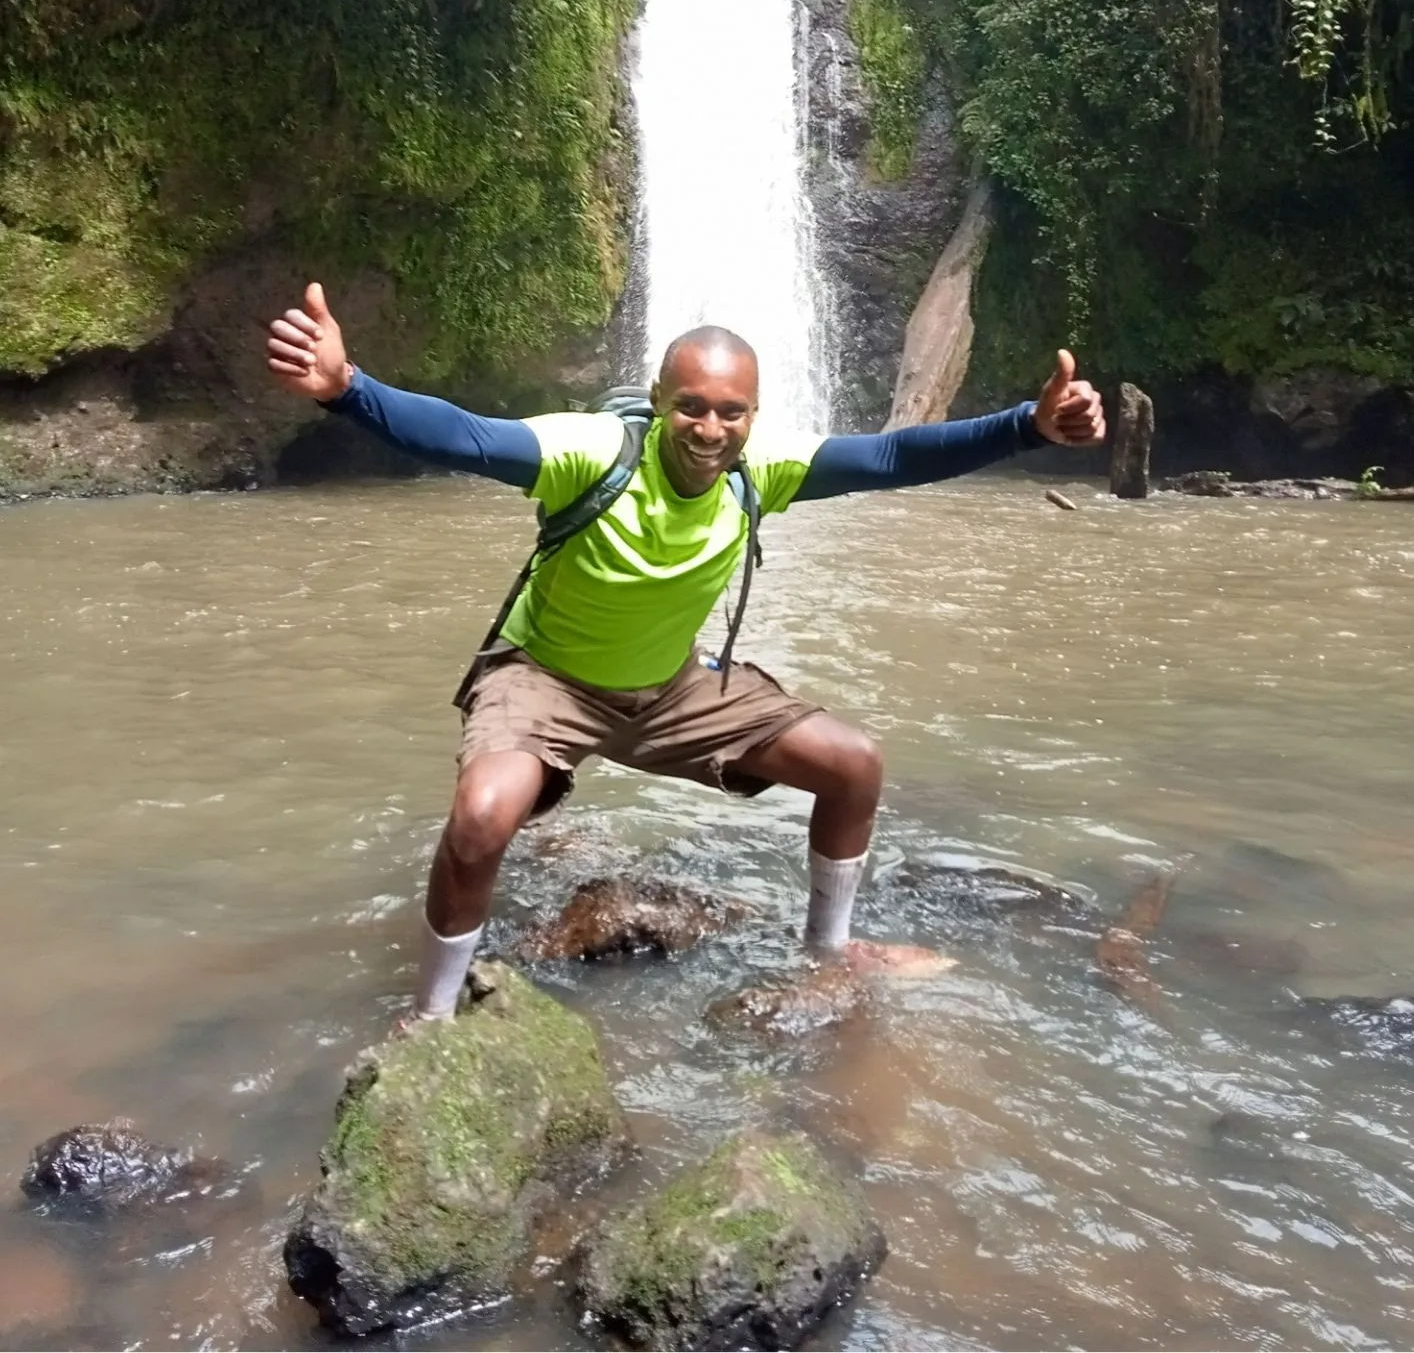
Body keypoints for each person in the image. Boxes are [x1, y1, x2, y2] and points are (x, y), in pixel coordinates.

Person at [267, 283, 1105, 1019]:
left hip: (671, 688)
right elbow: (465, 437)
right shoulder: (592, 453)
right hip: (547, 678)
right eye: (692, 407)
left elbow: (889, 457)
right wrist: (350, 391)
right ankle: (434, 1013)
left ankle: (832, 948)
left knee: (853, 764)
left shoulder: (762, 470)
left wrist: (1026, 427)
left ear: (753, 415)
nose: (710, 429)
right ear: (659, 399)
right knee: (483, 818)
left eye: (731, 412)